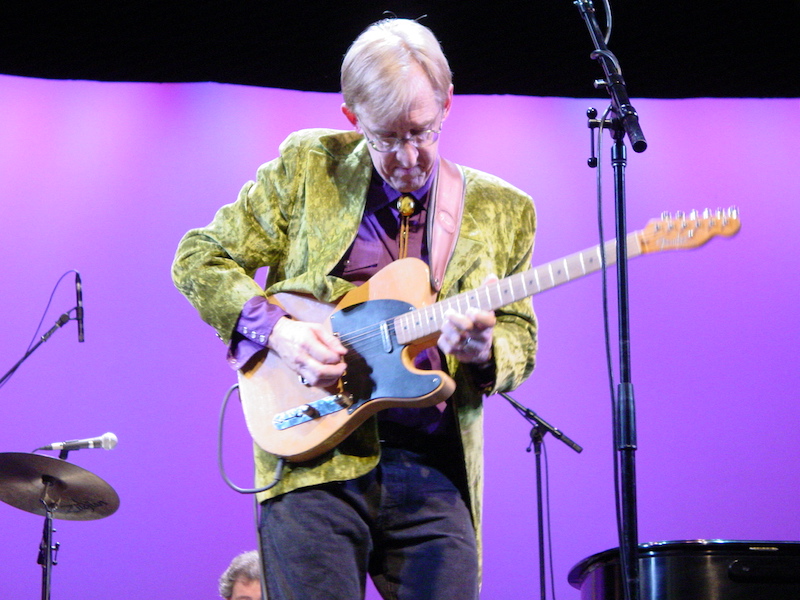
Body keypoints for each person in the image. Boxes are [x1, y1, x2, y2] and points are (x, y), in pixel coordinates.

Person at [173, 17, 537, 600]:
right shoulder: (309, 166)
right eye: (386, 138)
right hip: (313, 461)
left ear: (447, 104)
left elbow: (520, 333)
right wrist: (282, 334)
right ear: (352, 118)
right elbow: (199, 258)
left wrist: (486, 349)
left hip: (433, 467)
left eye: (421, 132)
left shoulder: (503, 209)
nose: (408, 157)